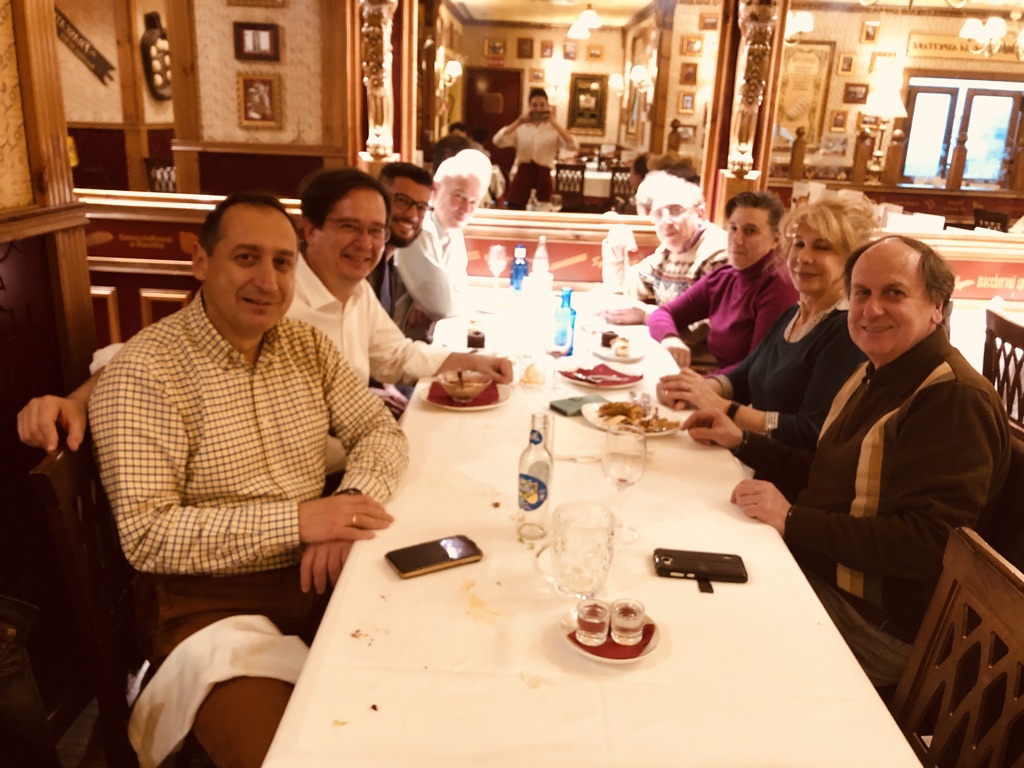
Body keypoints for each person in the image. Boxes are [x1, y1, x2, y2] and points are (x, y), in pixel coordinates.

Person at [89, 192, 410, 767]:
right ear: (200, 262)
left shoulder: (306, 347)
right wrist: (301, 522)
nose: (267, 280)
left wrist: (348, 503)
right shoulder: (146, 372)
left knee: (423, 699)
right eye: (246, 258)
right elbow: (146, 535)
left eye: (282, 262)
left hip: (318, 581)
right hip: (207, 612)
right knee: (297, 757)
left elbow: (379, 432)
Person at [682, 236, 1010, 687]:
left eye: (894, 293)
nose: (872, 309)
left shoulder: (951, 398)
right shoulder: (875, 371)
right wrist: (742, 442)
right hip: (824, 574)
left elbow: (929, 543)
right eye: (861, 293)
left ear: (937, 306)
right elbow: (830, 472)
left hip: (879, 625)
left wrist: (793, 520)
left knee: (703, 634)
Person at [293, 167, 511, 428]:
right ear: (310, 230)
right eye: (349, 226)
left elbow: (397, 355)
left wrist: (473, 362)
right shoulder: (281, 304)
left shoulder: (358, 290)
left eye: (375, 230)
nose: (365, 244)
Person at [657, 194, 878, 450]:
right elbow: (742, 378)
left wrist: (723, 408)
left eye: (822, 247)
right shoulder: (793, 315)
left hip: (781, 468)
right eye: (799, 244)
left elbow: (810, 430)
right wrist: (692, 389)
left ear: (851, 260)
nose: (803, 257)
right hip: (753, 451)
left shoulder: (844, 331)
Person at [647, 191, 798, 374]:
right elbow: (664, 313)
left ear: (776, 240)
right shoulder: (724, 277)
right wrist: (669, 337)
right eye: (733, 228)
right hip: (717, 380)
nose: (737, 239)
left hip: (739, 387)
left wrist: (703, 384)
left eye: (750, 231)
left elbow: (757, 367)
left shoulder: (779, 287)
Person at [602, 173, 728, 327]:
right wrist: (616, 254)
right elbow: (623, 290)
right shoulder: (668, 251)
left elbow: (712, 325)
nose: (666, 221)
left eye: (676, 210)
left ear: (699, 214)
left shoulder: (718, 253)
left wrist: (647, 316)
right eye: (658, 213)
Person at [393, 148, 492, 341]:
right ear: (435, 190)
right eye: (459, 196)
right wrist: (435, 307)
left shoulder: (453, 231)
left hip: (424, 339)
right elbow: (443, 306)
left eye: (474, 202)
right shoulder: (419, 229)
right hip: (398, 343)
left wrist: (429, 306)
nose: (466, 209)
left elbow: (457, 291)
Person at [492, 87, 577, 209]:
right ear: (529, 107)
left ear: (548, 106)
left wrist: (554, 123)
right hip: (522, 176)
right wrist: (519, 121)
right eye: (534, 105)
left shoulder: (554, 129)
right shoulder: (520, 127)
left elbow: (573, 146)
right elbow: (497, 141)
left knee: (543, 212)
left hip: (543, 177)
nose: (538, 109)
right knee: (516, 211)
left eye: (542, 105)